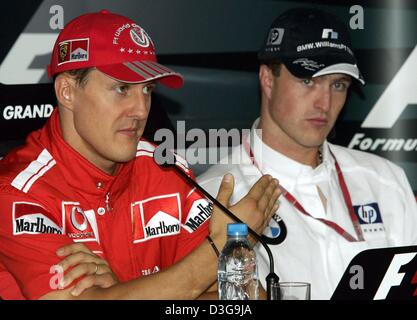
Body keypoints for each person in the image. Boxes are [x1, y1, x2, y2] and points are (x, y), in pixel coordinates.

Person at [0, 10, 281, 300]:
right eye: (122, 88)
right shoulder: (17, 193)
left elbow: (244, 298)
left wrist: (124, 288)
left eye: (147, 90)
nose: (141, 110)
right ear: (67, 91)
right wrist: (219, 248)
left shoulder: (166, 170)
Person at [197, 7, 417, 299]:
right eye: (308, 80)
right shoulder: (215, 196)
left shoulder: (385, 179)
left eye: (338, 84)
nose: (324, 102)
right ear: (267, 78)